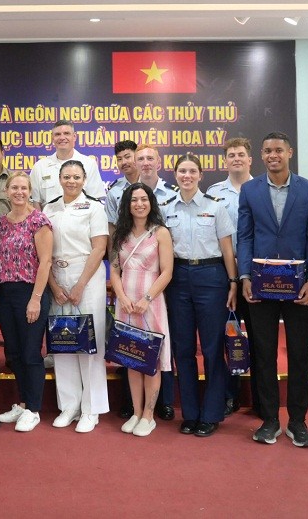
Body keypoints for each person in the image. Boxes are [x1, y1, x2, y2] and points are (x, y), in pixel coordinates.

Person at [237, 132, 308, 447]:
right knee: (264, 354)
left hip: (299, 287)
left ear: (290, 152)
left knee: (300, 355)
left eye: (279, 150)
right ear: (261, 155)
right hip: (260, 287)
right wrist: (244, 276)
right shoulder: (249, 190)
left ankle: (298, 422)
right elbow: (244, 236)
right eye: (267, 151)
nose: (273, 155)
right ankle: (270, 420)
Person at [164, 154, 238, 437]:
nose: (186, 175)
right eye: (182, 171)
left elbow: (227, 248)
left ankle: (211, 414)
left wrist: (233, 282)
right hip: (179, 279)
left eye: (192, 171)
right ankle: (191, 413)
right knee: (182, 350)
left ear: (200, 175)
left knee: (211, 349)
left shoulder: (216, 207)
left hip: (211, 278)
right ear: (175, 174)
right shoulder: (166, 208)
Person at [43, 159, 110, 433]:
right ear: (59, 179)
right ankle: (69, 405)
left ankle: (91, 409)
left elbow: (99, 248)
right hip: (57, 278)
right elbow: (43, 251)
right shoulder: (49, 208)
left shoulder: (94, 207)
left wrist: (81, 284)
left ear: (84, 180)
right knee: (62, 341)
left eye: (76, 177)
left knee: (90, 343)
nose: (71, 181)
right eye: (67, 176)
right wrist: (55, 286)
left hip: (88, 277)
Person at [110, 183, 174, 437]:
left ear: (151, 203)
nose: (139, 204)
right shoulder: (120, 235)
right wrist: (122, 297)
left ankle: (149, 414)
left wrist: (147, 298)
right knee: (131, 358)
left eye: (144, 199)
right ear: (127, 204)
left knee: (151, 360)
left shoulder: (160, 233)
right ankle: (136, 412)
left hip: (151, 302)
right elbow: (115, 269)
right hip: (126, 304)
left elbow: (167, 271)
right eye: (134, 200)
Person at [0, 172, 53, 432]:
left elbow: (46, 262)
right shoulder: (1, 223)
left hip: (31, 291)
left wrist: (36, 299)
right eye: (14, 187)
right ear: (6, 191)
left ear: (30, 191)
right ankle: (22, 403)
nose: (19, 192)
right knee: (14, 353)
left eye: (24, 188)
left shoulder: (39, 221)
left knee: (31, 353)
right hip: (6, 294)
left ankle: (34, 409)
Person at [206, 137, 257, 417]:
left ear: (250, 159)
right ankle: (229, 394)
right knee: (229, 335)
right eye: (231, 155)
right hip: (225, 275)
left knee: (259, 337)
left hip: (256, 275)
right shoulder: (214, 193)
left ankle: (261, 398)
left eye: (241, 154)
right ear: (225, 160)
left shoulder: (261, 189)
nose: (236, 158)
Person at [30, 119, 107, 210]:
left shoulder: (89, 164)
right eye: (57, 134)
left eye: (66, 133)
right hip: (49, 221)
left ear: (74, 137)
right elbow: (35, 202)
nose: (62, 137)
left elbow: (95, 200)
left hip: (82, 221)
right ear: (52, 138)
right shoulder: (40, 167)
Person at [105, 140, 138, 228]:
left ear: (137, 157)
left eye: (127, 157)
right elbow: (111, 224)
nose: (123, 162)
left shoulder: (150, 184)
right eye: (119, 159)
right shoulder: (114, 190)